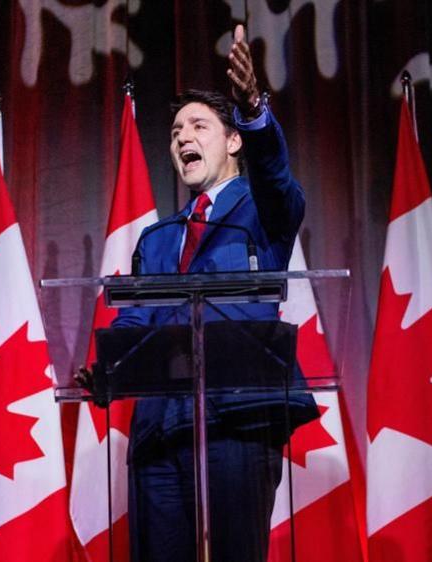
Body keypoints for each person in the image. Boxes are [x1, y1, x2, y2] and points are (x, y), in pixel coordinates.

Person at [91, 25, 318, 562]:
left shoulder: (265, 211)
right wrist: (109, 367)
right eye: (174, 132)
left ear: (233, 139)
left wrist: (253, 107)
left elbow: (274, 173)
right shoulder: (158, 237)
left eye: (197, 125)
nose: (182, 138)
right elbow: (137, 319)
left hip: (237, 422)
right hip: (159, 432)